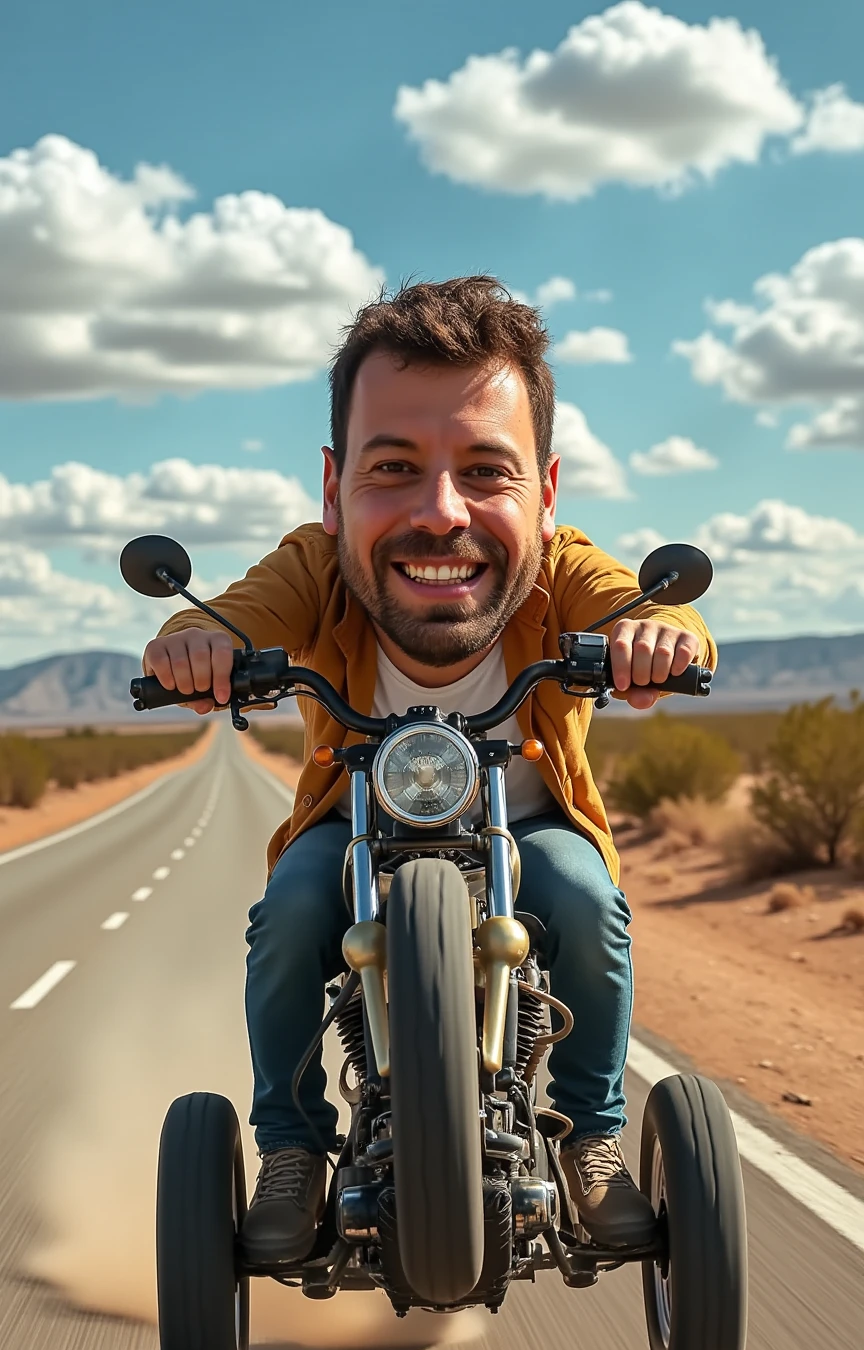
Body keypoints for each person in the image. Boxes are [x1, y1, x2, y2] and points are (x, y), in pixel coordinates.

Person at [144, 277, 716, 1267]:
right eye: (394, 465)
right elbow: (228, 616)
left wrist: (652, 632)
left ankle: (590, 1133)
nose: (439, 510)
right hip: (354, 823)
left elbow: (634, 603)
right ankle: (288, 1149)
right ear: (334, 487)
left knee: (587, 899)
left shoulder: (559, 565)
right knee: (286, 915)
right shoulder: (316, 567)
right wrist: (194, 644)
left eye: (487, 470)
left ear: (545, 491)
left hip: (525, 827)